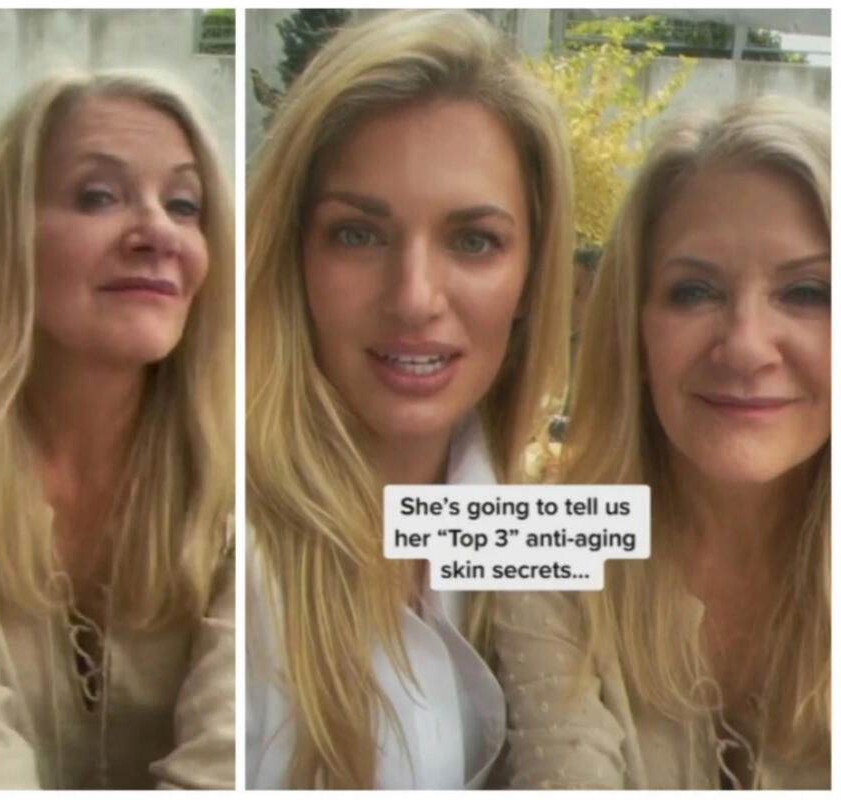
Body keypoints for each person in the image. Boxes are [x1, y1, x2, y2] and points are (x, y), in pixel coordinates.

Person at [0, 71, 235, 789]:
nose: (158, 232)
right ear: (8, 238)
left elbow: (227, 754)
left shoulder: (248, 469)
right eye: (98, 196)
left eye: (184, 205)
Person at [245, 10, 573, 789]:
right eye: (358, 235)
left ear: (532, 275)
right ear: (293, 255)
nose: (415, 297)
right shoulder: (225, 548)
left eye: (473, 240)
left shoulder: (550, 532)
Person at [493, 96, 830, 789]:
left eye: (808, 292)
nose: (746, 348)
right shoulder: (534, 537)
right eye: (694, 291)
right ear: (634, 328)